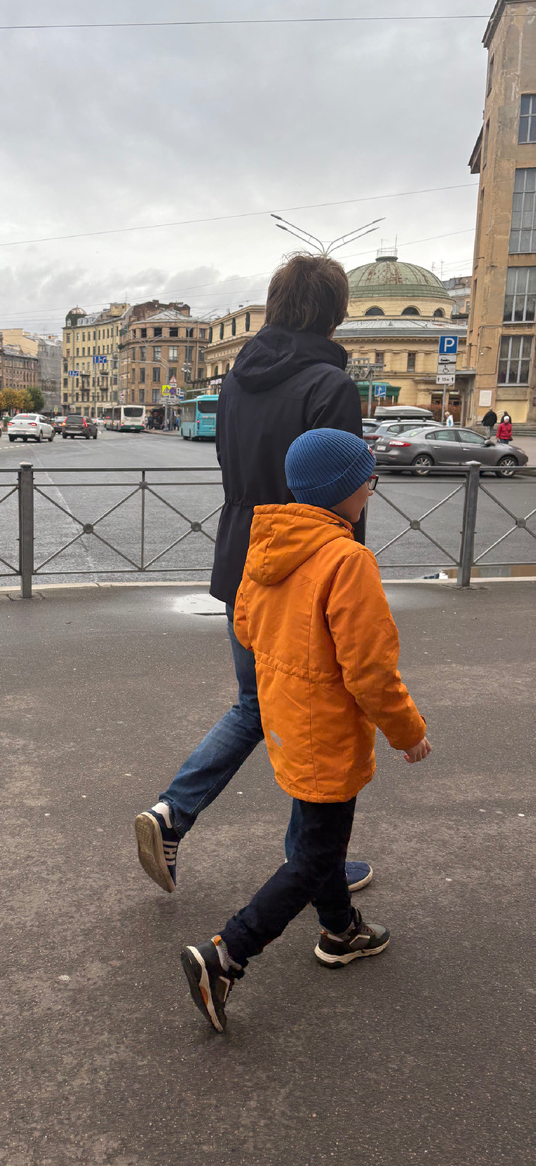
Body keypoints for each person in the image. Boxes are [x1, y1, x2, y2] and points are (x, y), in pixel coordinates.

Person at [135, 254, 374, 894]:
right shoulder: (332, 387)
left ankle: (174, 815)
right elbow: (340, 493)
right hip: (306, 561)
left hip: (244, 555)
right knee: (314, 711)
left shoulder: (238, 379)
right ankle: (312, 864)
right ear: (334, 312)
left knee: (260, 703)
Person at [180, 429, 431, 1033]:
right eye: (370, 478)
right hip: (330, 735)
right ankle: (229, 954)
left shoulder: (267, 542)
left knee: (322, 837)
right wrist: (407, 732)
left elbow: (244, 625)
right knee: (316, 852)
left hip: (288, 719)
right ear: (348, 490)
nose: (372, 488)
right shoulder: (347, 560)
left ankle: (341, 930)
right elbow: (371, 671)